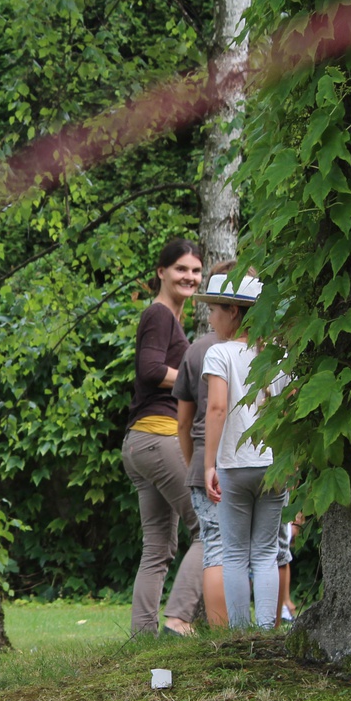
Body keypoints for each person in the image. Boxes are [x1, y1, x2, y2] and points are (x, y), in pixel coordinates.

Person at [121, 239, 204, 636]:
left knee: (157, 547)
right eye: (181, 269)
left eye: (196, 271)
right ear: (161, 272)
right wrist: (200, 381)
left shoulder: (170, 317)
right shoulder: (159, 313)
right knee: (211, 527)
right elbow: (151, 369)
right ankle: (179, 619)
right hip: (159, 436)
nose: (190, 277)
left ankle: (143, 638)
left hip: (140, 443)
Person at [199, 273, 289, 629]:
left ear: (233, 312)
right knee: (267, 552)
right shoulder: (279, 355)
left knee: (235, 553)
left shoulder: (219, 353)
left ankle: (239, 633)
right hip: (274, 464)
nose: (210, 319)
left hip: (234, 465)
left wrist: (209, 464)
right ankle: (266, 630)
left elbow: (217, 408)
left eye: (213, 310)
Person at [172, 259, 237, 628]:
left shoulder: (198, 350)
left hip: (205, 465)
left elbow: (183, 421)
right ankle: (267, 629)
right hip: (256, 462)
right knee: (265, 552)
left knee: (216, 548)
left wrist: (194, 462)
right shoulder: (268, 348)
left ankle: (221, 633)